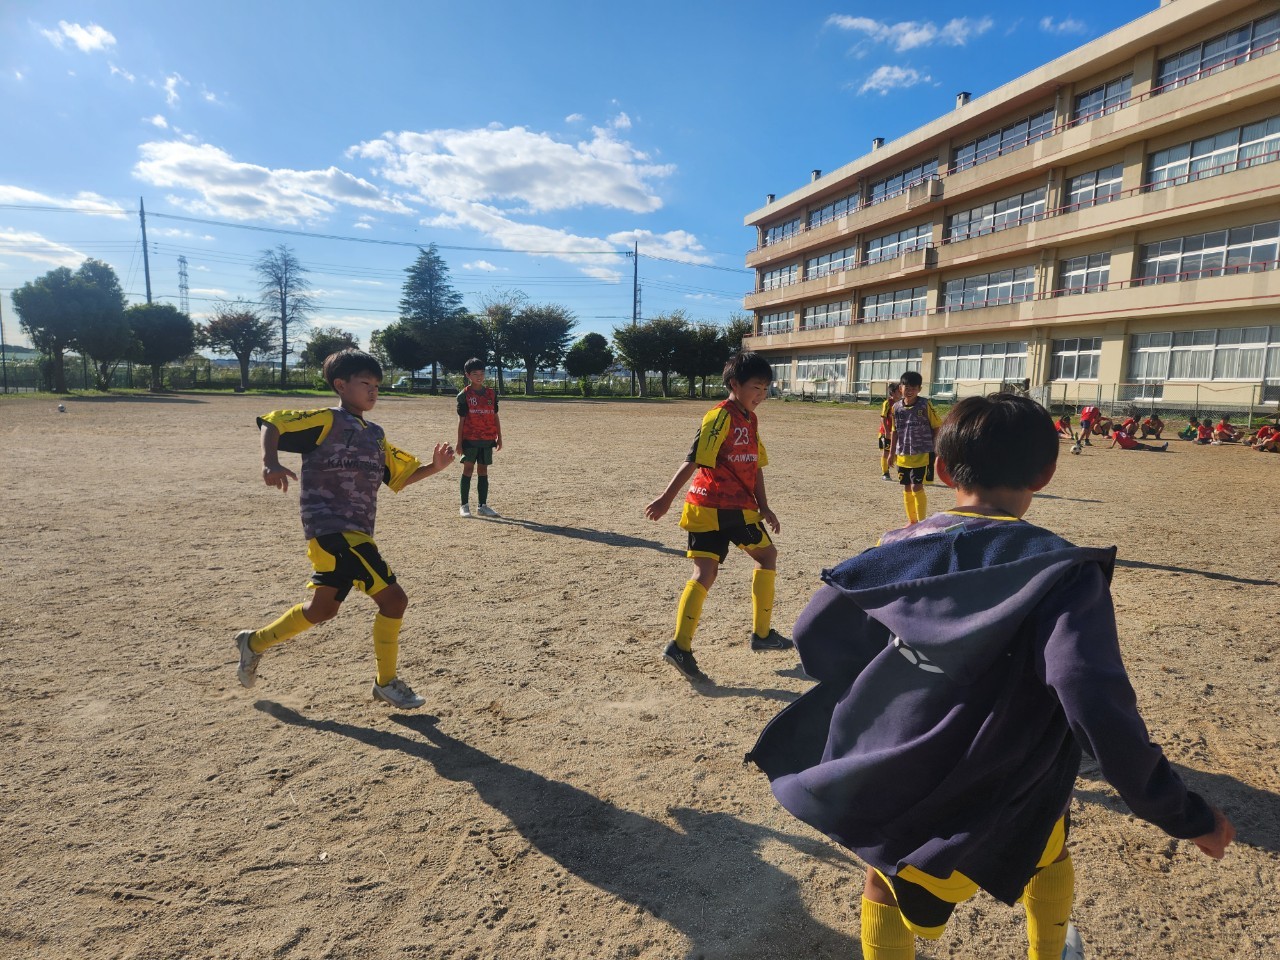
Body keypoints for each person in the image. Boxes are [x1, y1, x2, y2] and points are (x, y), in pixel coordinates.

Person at [748, 392, 1234, 960]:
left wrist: (889, 675)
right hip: (1007, 768)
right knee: (1048, 847)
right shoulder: (1060, 570)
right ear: (1046, 473)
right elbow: (1088, 692)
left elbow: (813, 630)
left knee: (884, 875)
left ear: (942, 469)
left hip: (895, 757)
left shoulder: (894, 549)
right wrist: (1177, 809)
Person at [233, 349, 457, 710]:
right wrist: (270, 461)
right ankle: (386, 682)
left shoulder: (376, 435)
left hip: (355, 533)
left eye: (377, 386)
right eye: (365, 383)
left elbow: (400, 477)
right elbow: (272, 422)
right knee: (394, 599)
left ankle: (253, 642)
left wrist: (436, 466)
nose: (373, 391)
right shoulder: (327, 420)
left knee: (322, 610)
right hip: (332, 530)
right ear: (341, 385)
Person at [644, 351, 792, 683]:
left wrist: (764, 505)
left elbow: (756, 468)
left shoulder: (750, 420)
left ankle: (680, 646)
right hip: (724, 506)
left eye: (766, 389)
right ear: (734, 384)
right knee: (766, 555)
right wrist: (667, 498)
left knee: (705, 571)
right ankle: (762, 634)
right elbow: (695, 458)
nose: (762, 395)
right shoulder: (720, 416)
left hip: (711, 507)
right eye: (756, 387)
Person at [889, 371, 942, 525]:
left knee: (916, 485)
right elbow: (894, 431)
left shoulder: (924, 404)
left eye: (914, 387)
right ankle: (911, 521)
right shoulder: (896, 408)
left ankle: (921, 521)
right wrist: (891, 453)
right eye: (906, 386)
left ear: (919, 389)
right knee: (906, 488)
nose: (909, 390)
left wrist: (937, 449)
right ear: (900, 388)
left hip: (922, 453)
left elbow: (936, 427)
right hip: (903, 454)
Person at [456, 358, 503, 518]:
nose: (479, 376)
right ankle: (464, 506)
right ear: (468, 375)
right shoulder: (464, 395)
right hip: (470, 440)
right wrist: (459, 442)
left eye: (482, 373)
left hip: (487, 439)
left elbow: (495, 416)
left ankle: (482, 506)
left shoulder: (491, 393)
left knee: (483, 471)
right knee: (468, 469)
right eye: (475, 373)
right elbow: (461, 420)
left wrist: (499, 437)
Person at [879, 382, 902, 480]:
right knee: (886, 452)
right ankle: (885, 473)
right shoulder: (887, 403)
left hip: (897, 433)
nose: (901, 392)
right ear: (892, 392)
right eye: (898, 390)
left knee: (899, 453)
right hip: (887, 433)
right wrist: (887, 431)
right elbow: (883, 417)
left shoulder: (903, 403)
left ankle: (901, 474)